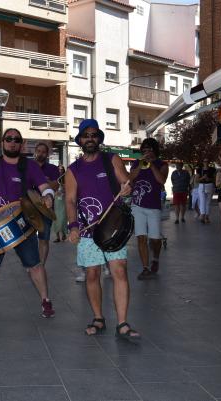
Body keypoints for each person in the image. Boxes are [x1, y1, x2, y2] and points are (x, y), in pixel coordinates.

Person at [0, 128, 55, 320]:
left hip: (23, 223)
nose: (12, 142)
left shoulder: (30, 166)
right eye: (9, 139)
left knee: (35, 266)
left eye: (16, 139)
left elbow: (45, 187)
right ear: (2, 142)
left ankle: (45, 301)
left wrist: (48, 197)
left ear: (21, 144)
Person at [65, 119, 139, 339]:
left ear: (99, 139)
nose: (90, 138)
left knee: (119, 271)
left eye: (94, 135)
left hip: (113, 226)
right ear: (80, 140)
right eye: (86, 135)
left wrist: (127, 188)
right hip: (88, 231)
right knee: (92, 274)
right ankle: (98, 318)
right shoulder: (73, 169)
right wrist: (73, 226)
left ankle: (123, 323)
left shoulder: (111, 160)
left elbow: (126, 183)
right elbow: (69, 200)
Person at [129, 138, 168, 280]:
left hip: (154, 206)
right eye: (144, 150)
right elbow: (130, 178)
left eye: (149, 149)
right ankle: (145, 268)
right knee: (141, 237)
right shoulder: (136, 163)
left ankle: (155, 259)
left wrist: (151, 165)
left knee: (155, 239)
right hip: (137, 205)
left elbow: (161, 180)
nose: (146, 152)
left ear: (154, 150)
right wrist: (140, 165)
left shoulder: (162, 164)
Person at [33, 142, 60, 265]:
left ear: (47, 154)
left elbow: (55, 186)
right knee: (29, 239)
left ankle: (41, 265)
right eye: (38, 151)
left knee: (44, 239)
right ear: (35, 152)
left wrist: (43, 182)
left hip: (46, 209)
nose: (41, 154)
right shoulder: (29, 167)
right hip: (30, 208)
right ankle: (32, 262)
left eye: (43, 152)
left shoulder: (53, 169)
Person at [197, 159, 216, 224]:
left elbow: (214, 179)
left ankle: (206, 216)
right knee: (202, 200)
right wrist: (202, 178)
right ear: (203, 162)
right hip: (202, 185)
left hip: (209, 185)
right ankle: (202, 215)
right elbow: (197, 179)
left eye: (207, 161)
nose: (206, 162)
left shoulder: (212, 169)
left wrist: (209, 179)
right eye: (204, 161)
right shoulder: (199, 169)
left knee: (208, 202)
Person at [52, 165, 67, 243]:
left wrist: (64, 190)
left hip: (63, 201)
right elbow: (51, 189)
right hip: (57, 201)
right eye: (59, 169)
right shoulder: (55, 179)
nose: (60, 171)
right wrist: (55, 192)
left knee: (63, 218)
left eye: (61, 169)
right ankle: (57, 237)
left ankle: (64, 234)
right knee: (56, 219)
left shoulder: (66, 179)